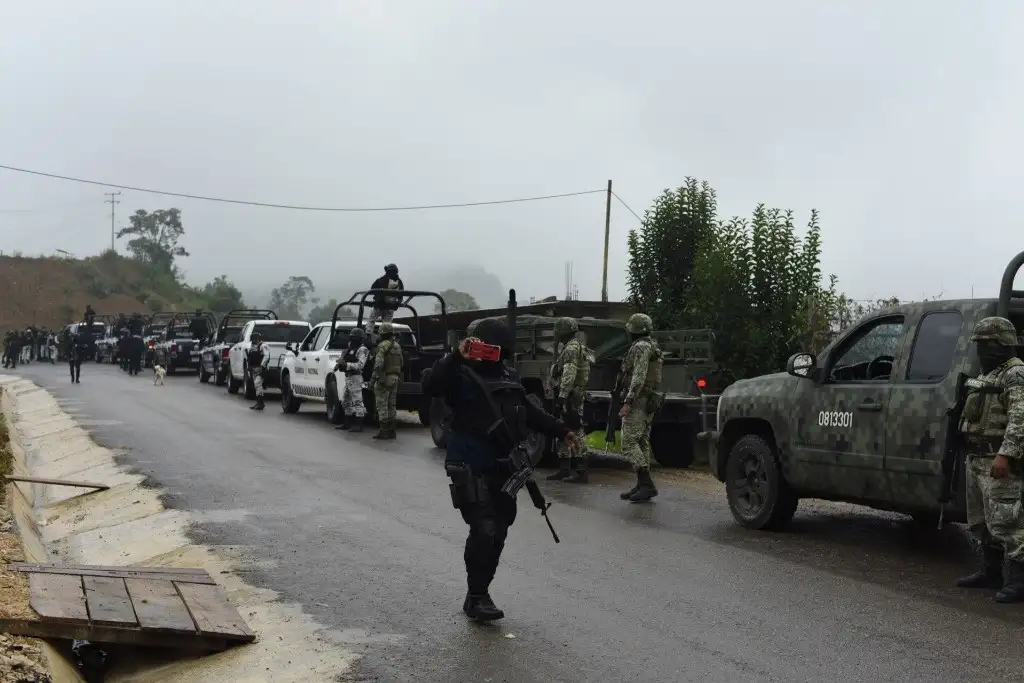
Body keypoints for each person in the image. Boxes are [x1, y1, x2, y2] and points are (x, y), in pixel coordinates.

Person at [423, 318, 578, 621]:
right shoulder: (458, 372)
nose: (485, 352)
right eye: (478, 345)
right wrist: (457, 355)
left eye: (491, 347)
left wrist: (561, 430)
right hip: (468, 461)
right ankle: (477, 596)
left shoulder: (508, 375)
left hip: (503, 465)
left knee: (500, 530)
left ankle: (479, 591)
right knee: (484, 527)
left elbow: (529, 410)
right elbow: (431, 385)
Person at [955, 316, 1024, 602]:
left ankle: (1019, 581)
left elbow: (1020, 418)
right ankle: (990, 572)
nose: (982, 349)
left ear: (1004, 343)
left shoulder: (1014, 373)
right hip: (977, 458)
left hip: (997, 461)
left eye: (988, 343)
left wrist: (1005, 455)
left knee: (1009, 523)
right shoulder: (988, 373)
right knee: (982, 522)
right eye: (979, 344)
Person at [616, 313, 665, 503]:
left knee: (628, 443)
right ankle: (641, 483)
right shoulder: (652, 345)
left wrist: (628, 400)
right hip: (648, 398)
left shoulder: (640, 347)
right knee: (642, 441)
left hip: (639, 400)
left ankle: (646, 484)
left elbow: (639, 375)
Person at [547, 317, 592, 483]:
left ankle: (581, 471)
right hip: (569, 394)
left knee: (576, 430)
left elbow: (569, 374)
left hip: (571, 396)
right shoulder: (571, 347)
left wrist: (562, 397)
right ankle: (564, 468)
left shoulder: (572, 349)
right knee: (562, 428)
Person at [369, 323, 403, 439]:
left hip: (384, 378)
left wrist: (373, 380)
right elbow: (401, 362)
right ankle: (392, 431)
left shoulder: (382, 346)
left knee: (381, 404)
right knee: (392, 405)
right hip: (395, 378)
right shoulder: (397, 346)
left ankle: (383, 431)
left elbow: (378, 365)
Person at [335, 327, 370, 432]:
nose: (352, 340)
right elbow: (346, 359)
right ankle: (347, 423)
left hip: (356, 377)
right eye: (351, 337)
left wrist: (347, 365)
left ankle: (358, 425)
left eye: (354, 338)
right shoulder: (350, 348)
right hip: (348, 377)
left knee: (357, 401)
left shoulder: (362, 349)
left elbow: (360, 365)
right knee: (345, 401)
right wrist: (341, 364)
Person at [368, 264, 404, 336]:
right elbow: (401, 295)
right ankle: (385, 336)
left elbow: (372, 289)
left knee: (371, 321)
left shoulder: (381, 280)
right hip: (389, 307)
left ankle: (368, 335)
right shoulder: (399, 282)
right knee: (387, 325)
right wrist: (397, 303)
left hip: (379, 306)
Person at [247, 331, 268, 410]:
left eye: (256, 338)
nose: (254, 340)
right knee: (257, 386)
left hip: (261, 369)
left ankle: (260, 403)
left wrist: (262, 366)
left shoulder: (263, 346)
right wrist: (249, 367)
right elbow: (249, 357)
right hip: (253, 369)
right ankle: (259, 403)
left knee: (257, 384)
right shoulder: (251, 347)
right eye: (252, 338)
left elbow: (266, 356)